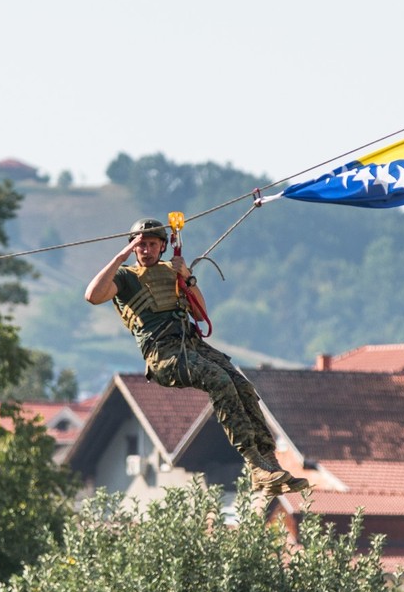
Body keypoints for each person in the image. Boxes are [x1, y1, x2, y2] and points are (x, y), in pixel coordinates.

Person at [85, 218, 311, 510]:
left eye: (152, 244)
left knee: (242, 386)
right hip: (164, 354)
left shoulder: (173, 271)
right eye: (140, 245)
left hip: (192, 344)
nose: (146, 250)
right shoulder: (125, 277)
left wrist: (188, 278)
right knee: (219, 380)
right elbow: (92, 296)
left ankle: (269, 463)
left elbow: (200, 311)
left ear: (163, 246)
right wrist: (119, 257)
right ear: (133, 247)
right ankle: (254, 464)